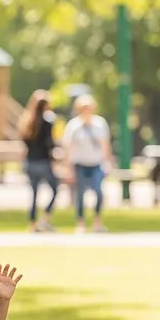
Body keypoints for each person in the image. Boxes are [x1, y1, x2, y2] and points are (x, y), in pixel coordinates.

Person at [62, 94, 112, 233]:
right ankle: (81, 223)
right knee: (80, 194)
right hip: (80, 164)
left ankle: (97, 222)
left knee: (98, 192)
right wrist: (68, 167)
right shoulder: (73, 125)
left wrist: (108, 162)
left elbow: (105, 145)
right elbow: (68, 147)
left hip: (96, 163)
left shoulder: (100, 123)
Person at [19, 90, 59, 232]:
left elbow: (25, 142)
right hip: (43, 161)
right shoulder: (47, 123)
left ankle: (33, 223)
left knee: (34, 194)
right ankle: (46, 216)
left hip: (30, 161)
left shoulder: (27, 122)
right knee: (55, 189)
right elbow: (49, 143)